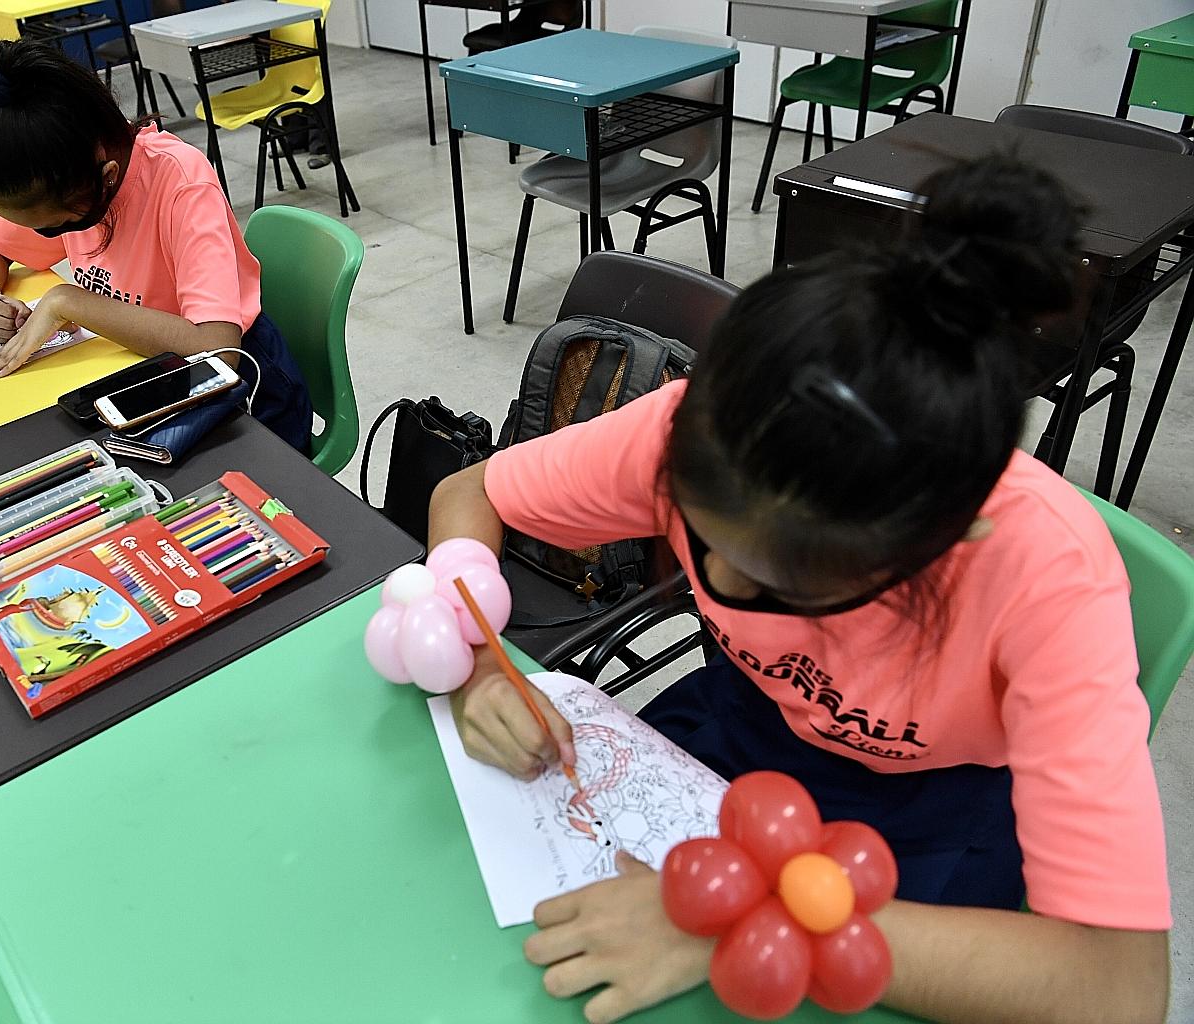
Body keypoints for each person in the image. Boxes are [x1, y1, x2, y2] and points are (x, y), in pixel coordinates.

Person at [427, 157, 1170, 1024]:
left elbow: (1117, 990)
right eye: (700, 538)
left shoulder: (1045, 579)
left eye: (782, 586)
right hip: (743, 733)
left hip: (928, 818)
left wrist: (744, 920)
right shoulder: (705, 434)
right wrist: (481, 665)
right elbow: (469, 493)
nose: (719, 589)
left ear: (932, 548)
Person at [0, 40, 313, 454]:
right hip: (142, 372)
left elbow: (219, 350)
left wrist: (70, 302)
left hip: (244, 397)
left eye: (53, 228)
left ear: (106, 177)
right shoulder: (63, 176)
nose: (41, 234)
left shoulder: (180, 183)